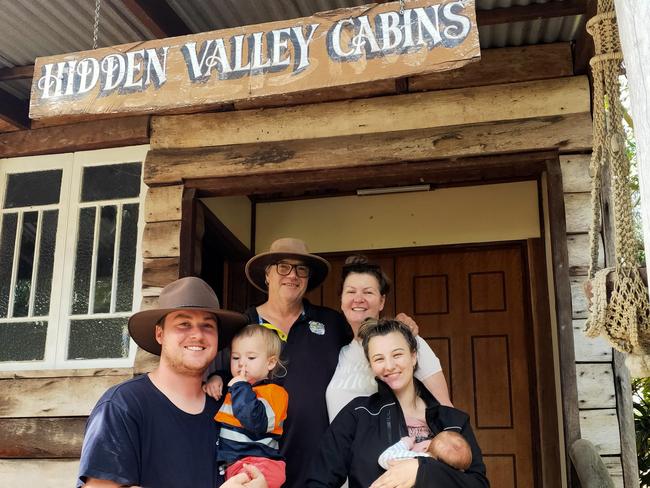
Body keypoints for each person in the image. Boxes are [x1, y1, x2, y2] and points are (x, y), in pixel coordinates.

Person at [76, 276, 268, 488]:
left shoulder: (231, 404)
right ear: (160, 334)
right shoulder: (123, 405)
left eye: (207, 325)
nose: (197, 334)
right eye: (184, 324)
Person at [205, 237, 353, 487]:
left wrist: (401, 326)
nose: (292, 275)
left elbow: (367, 348)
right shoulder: (242, 325)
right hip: (253, 468)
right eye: (283, 267)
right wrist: (217, 375)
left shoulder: (331, 323)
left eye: (301, 269)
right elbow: (220, 371)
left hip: (317, 465)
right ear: (267, 275)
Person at [306, 319, 489, 488]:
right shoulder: (357, 414)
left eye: (397, 354)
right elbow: (319, 480)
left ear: (413, 356)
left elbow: (478, 483)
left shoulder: (453, 420)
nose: (389, 365)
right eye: (379, 358)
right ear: (371, 367)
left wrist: (421, 470)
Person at [326, 255, 452, 421]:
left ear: (382, 301)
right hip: (342, 446)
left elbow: (445, 409)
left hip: (399, 446)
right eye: (350, 291)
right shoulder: (340, 351)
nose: (358, 299)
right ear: (341, 300)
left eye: (368, 292)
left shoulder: (409, 342)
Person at [215, 324, 289, 488]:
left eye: (251, 358)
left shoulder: (275, 393)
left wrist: (240, 387)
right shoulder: (237, 389)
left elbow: (255, 421)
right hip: (236, 463)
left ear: (270, 363)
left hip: (260, 465)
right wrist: (216, 379)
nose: (242, 364)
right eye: (236, 358)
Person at [378, 430, 473, 471]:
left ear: (425, 449)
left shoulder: (417, 459)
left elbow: (385, 458)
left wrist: (405, 443)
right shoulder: (449, 478)